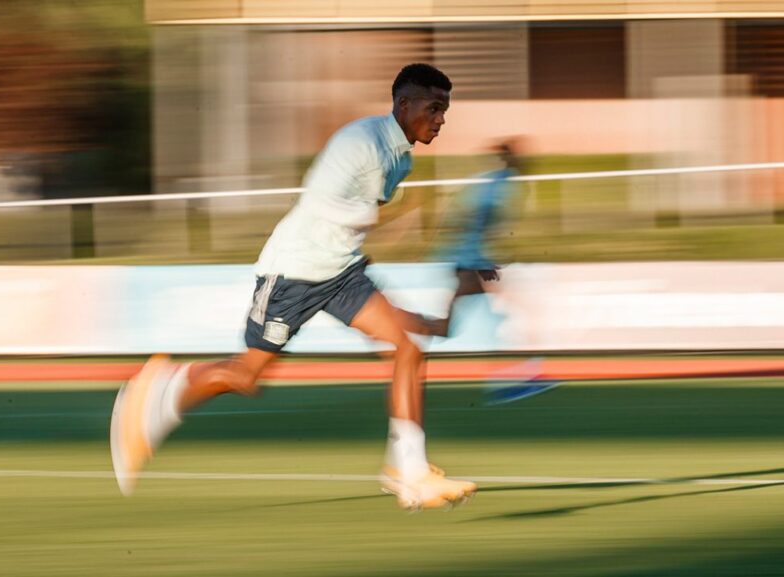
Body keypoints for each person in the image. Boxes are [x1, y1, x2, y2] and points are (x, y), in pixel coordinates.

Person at [110, 63, 476, 510]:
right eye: (434, 108)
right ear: (404, 104)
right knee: (244, 377)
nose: (440, 119)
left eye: (445, 111)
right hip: (293, 273)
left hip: (341, 272)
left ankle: (408, 470)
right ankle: (157, 391)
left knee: (408, 348)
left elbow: (362, 217)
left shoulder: (401, 158)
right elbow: (322, 202)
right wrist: (392, 218)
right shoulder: (358, 141)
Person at [425, 137, 524, 338]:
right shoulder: (499, 185)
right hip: (472, 258)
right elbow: (482, 220)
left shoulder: (492, 181)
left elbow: (469, 216)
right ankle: (434, 327)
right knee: (469, 294)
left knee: (469, 295)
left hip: (471, 257)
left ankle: (442, 326)